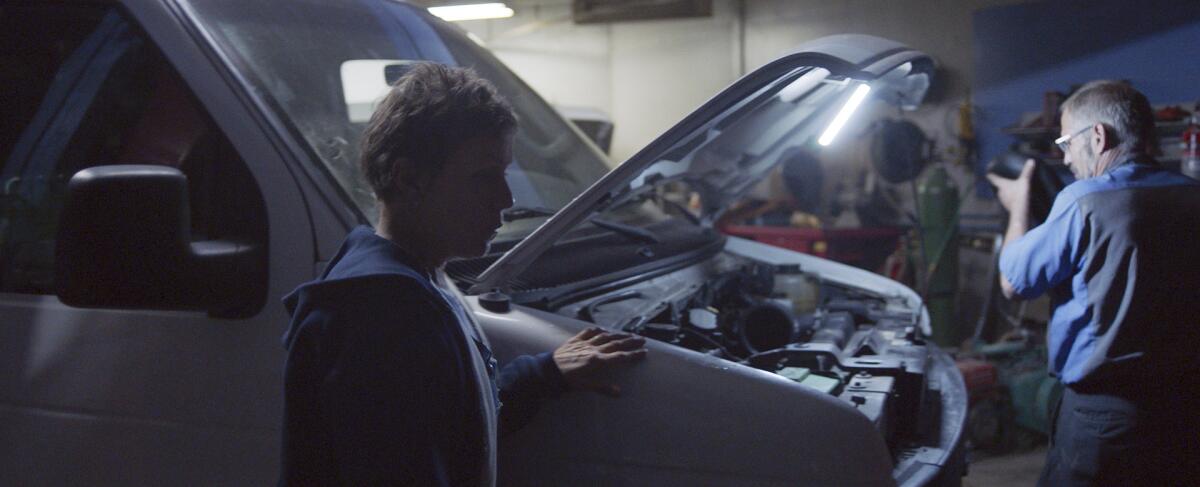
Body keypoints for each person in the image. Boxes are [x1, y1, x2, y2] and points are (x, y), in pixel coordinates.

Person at [277, 63, 647, 486]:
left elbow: (443, 421)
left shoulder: (418, 278)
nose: (506, 199)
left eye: (504, 174)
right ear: (410, 178)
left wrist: (544, 374)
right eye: (484, 177)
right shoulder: (383, 317)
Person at [988, 80, 1200, 486]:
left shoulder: (1083, 201)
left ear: (1098, 136)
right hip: (1186, 408)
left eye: (1067, 142)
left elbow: (1013, 282)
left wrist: (1017, 207)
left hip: (1106, 419)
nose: (1065, 158)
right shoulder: (1193, 196)